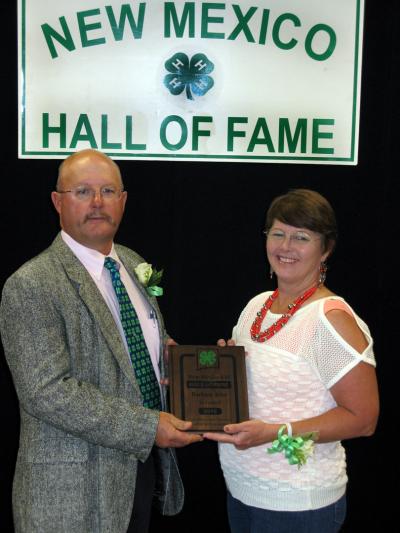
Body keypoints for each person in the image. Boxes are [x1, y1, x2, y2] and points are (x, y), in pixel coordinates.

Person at [0, 149, 202, 533]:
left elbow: (130, 347)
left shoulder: (131, 261)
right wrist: (147, 427)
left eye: (108, 191)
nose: (97, 203)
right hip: (71, 495)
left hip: (137, 477)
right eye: (82, 191)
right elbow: (47, 392)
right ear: (57, 202)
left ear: (123, 201)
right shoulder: (31, 285)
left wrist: (173, 361)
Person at [204, 189, 379, 533]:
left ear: (325, 249)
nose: (285, 247)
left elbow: (363, 419)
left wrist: (274, 433)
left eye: (301, 237)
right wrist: (215, 370)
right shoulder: (257, 305)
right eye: (277, 233)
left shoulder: (330, 320)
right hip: (242, 491)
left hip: (299, 506)